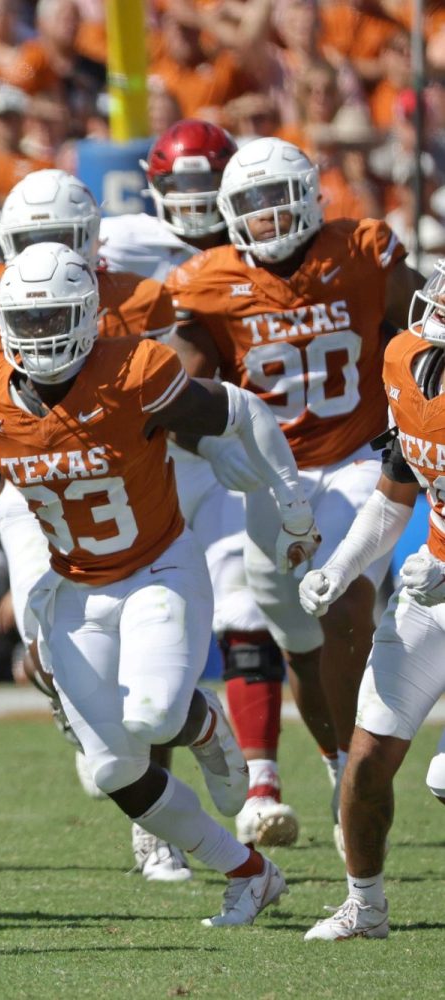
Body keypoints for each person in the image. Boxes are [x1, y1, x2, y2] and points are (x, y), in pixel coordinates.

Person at [0, 242, 314, 927]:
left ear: (88, 317)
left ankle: (204, 723)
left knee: (153, 717)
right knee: (113, 771)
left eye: (54, 316)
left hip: (157, 568)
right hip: (73, 588)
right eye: (25, 321)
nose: (40, 334)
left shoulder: (137, 371)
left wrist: (287, 491)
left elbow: (240, 410)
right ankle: (249, 872)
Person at [0, 168, 192, 881]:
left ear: (93, 241)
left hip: (122, 480)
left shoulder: (132, 298)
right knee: (44, 641)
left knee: (141, 654)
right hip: (26, 482)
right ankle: (84, 713)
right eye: (35, 240)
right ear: (6, 242)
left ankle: (153, 827)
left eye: (66, 239)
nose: (51, 254)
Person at [168, 136, 426, 859]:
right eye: (250, 203)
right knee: (301, 645)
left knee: (344, 603)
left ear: (313, 195)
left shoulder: (363, 248)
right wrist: (204, 442)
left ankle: (358, 776)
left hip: (356, 457)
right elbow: (184, 392)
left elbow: (424, 327)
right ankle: (342, 763)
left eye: (280, 195)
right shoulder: (208, 280)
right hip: (267, 474)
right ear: (227, 212)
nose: (269, 214)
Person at [100, 120, 305, 850]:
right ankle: (151, 810)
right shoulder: (118, 240)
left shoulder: (258, 238)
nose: (190, 205)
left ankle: (261, 780)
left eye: (203, 188)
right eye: (177, 189)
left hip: (214, 447)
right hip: (124, 456)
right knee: (128, 622)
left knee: (245, 608)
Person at [298, 259, 445, 940]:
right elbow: (394, 495)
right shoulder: (407, 361)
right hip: (431, 588)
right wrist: (342, 565)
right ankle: (366, 904)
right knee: (365, 761)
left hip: (436, 578)